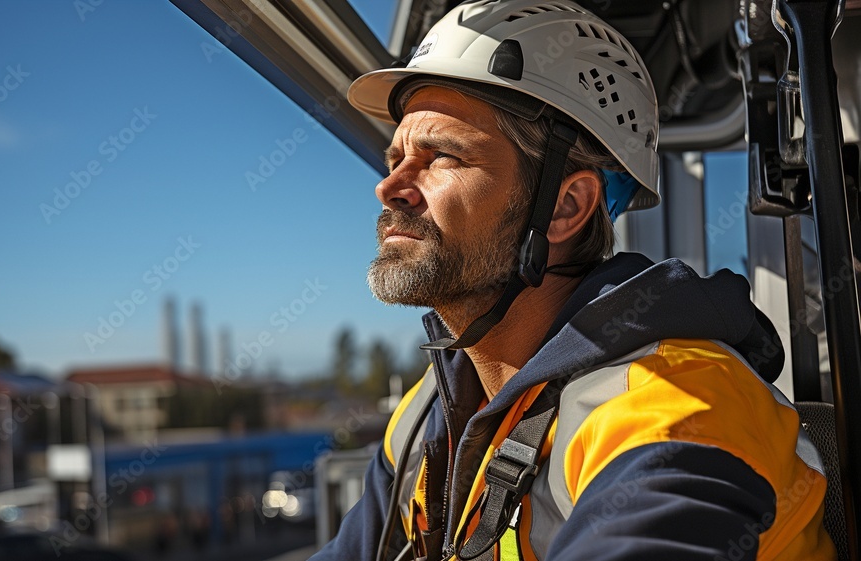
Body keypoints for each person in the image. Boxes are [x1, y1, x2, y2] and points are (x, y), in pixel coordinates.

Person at [309, 1, 837, 560]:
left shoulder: (679, 405)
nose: (389, 186)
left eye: (442, 155)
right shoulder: (430, 412)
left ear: (565, 207)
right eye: (395, 157)